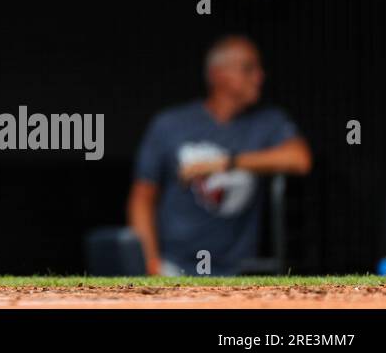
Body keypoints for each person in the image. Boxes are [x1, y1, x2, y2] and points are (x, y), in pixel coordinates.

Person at [127, 36, 312, 276]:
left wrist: (226, 163)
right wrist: (150, 263)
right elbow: (142, 198)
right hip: (173, 267)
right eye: (247, 68)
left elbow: (299, 159)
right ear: (218, 74)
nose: (259, 76)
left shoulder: (268, 123)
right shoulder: (170, 125)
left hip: (235, 272)